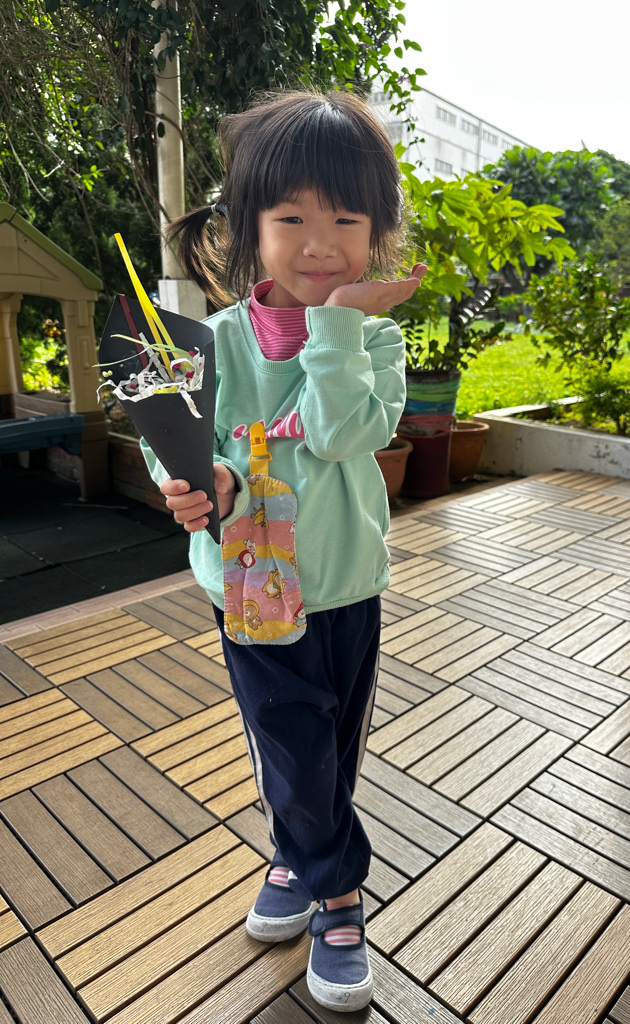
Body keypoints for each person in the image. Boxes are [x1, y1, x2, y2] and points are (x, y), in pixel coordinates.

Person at [144, 89, 427, 1013]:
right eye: (292, 218)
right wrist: (197, 482)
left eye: (346, 219)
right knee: (292, 744)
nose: (320, 244)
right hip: (250, 589)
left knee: (330, 744)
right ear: (247, 228)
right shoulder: (212, 343)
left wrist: (338, 323)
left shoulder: (377, 339)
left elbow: (346, 433)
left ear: (377, 230)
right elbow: (175, 445)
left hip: (346, 583)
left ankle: (291, 855)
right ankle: (337, 896)